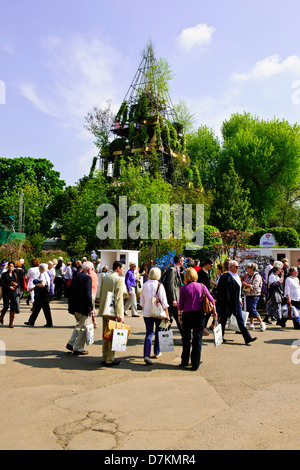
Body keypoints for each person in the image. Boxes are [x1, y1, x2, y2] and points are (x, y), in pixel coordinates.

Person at [178, 267, 217, 370]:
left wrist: (179, 316)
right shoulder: (202, 286)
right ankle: (195, 363)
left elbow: (180, 305)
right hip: (199, 315)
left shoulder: (183, 288)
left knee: (186, 339)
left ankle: (184, 361)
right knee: (197, 339)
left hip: (186, 315)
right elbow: (211, 300)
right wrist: (214, 311)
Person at [217, 260, 257, 345]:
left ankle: (247, 338)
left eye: (238, 266)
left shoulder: (237, 276)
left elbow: (238, 291)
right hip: (227, 302)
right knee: (223, 319)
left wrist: (240, 300)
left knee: (240, 319)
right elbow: (222, 291)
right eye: (236, 267)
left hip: (236, 302)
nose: (237, 268)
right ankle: (220, 336)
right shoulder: (225, 277)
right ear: (230, 267)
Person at [139, 267, 169, 365]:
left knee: (149, 333)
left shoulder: (144, 285)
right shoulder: (160, 285)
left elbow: (141, 302)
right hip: (158, 313)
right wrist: (167, 314)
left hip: (147, 312)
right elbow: (164, 302)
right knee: (158, 331)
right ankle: (157, 351)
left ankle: (146, 354)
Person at [98, 260, 125, 367]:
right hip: (113, 311)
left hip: (105, 309)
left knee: (105, 334)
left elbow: (101, 293)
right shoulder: (118, 280)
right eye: (122, 268)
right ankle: (110, 358)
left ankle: (104, 356)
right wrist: (119, 314)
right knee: (112, 335)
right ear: (118, 268)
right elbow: (118, 298)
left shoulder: (106, 278)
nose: (123, 270)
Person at [66, 261, 94, 355]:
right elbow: (88, 294)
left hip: (75, 306)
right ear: (89, 269)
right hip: (83, 306)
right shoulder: (87, 278)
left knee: (78, 324)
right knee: (83, 327)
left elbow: (70, 292)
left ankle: (71, 342)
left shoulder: (75, 277)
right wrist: (90, 307)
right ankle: (78, 348)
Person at [163, 255, 184, 337]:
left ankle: (163, 336)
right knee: (179, 319)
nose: (183, 262)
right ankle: (186, 338)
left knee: (170, 319)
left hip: (175, 299)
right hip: (174, 300)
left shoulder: (176, 269)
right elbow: (171, 285)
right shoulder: (172, 270)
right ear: (179, 261)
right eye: (182, 260)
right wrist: (173, 299)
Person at [243, 262, 266, 331]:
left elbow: (255, 286)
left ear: (252, 269)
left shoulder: (257, 276)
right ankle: (251, 324)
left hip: (254, 295)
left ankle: (261, 323)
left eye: (248, 267)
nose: (247, 269)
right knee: (249, 309)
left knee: (253, 309)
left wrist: (246, 285)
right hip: (248, 294)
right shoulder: (249, 276)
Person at [0, 261, 20, 328]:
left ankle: (11, 322)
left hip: (13, 291)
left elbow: (18, 283)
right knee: (6, 306)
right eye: (9, 266)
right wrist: (9, 287)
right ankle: (1, 317)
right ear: (7, 267)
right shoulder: (4, 274)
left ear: (13, 267)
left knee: (13, 306)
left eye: (12, 266)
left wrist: (15, 285)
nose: (10, 267)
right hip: (6, 291)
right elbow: (1, 283)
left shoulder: (15, 274)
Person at [197, 258, 214, 335]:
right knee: (204, 310)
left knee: (208, 310)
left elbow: (208, 281)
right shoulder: (200, 272)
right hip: (202, 294)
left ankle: (203, 327)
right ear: (207, 264)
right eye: (211, 265)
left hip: (207, 293)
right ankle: (201, 327)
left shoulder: (208, 271)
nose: (211, 267)